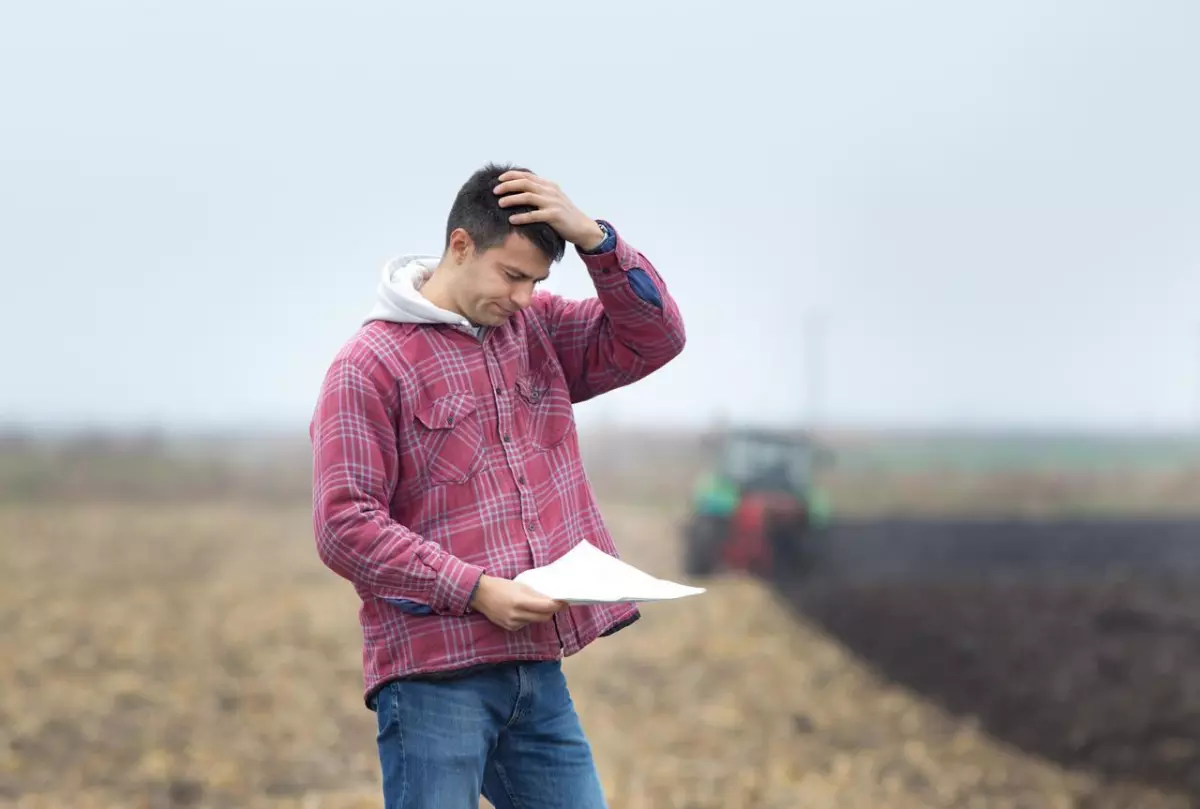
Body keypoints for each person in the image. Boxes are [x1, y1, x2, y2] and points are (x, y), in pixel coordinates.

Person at [309, 162, 686, 808]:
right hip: (433, 677)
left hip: (537, 673)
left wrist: (597, 241)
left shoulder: (535, 328)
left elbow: (655, 337)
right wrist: (475, 590)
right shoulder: (367, 367)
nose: (522, 297)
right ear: (460, 245)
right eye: (512, 275)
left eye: (535, 282)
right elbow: (345, 525)